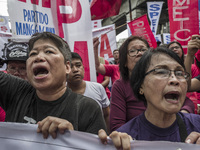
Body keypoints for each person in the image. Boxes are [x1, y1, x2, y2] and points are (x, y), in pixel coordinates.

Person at [0, 32, 130, 149]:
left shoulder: (87, 108)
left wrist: (72, 140)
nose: (38, 57)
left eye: (49, 51)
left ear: (67, 67)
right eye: (33, 54)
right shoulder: (16, 91)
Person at [111, 47, 200, 144]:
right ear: (141, 86)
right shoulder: (125, 140)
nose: (175, 80)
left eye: (179, 73)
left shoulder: (197, 125)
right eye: (161, 72)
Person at [67, 52, 110, 132]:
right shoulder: (60, 93)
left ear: (83, 68)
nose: (75, 70)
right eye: (70, 67)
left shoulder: (98, 88)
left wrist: (108, 137)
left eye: (78, 65)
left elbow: (106, 115)